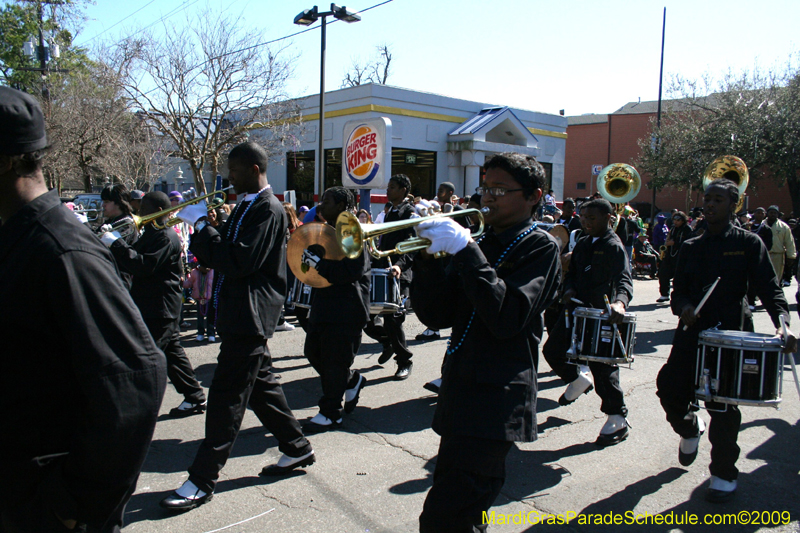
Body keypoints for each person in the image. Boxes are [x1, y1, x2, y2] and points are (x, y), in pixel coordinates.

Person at [0, 86, 166, 532]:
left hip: (41, 507)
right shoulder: (19, 237)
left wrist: (70, 504)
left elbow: (137, 378)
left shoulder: (62, 250)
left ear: (12, 159)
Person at [411, 152, 561, 532]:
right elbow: (437, 315)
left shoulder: (540, 248)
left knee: (445, 518)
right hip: (461, 388)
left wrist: (465, 252)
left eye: (499, 190)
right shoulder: (479, 241)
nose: (488, 198)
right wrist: (428, 259)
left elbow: (507, 317)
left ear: (533, 196)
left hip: (496, 398)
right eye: (484, 189)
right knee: (460, 516)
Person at [160, 141, 313, 512]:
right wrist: (209, 227)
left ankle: (201, 478)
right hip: (239, 313)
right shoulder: (247, 205)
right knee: (262, 388)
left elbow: (239, 260)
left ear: (255, 169)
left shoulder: (268, 208)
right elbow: (225, 252)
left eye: (234, 169)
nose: (229, 176)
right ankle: (297, 447)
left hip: (251, 315)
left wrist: (200, 225)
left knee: (226, 400)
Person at [656, 179, 796, 503]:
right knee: (669, 389)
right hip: (693, 332)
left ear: (734, 205)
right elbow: (680, 292)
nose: (710, 204)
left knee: (723, 408)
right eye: (707, 198)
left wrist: (783, 324)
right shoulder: (691, 245)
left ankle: (723, 473)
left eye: (718, 199)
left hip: (732, 335)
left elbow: (770, 289)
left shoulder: (749, 243)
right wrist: (686, 307)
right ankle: (690, 427)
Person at [103, 191, 207, 418]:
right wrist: (114, 243)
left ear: (157, 212)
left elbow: (143, 265)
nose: (138, 213)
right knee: (172, 355)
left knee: (145, 359)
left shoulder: (165, 236)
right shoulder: (152, 232)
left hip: (160, 307)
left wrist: (117, 244)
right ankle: (194, 397)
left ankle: (134, 408)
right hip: (153, 304)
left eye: (143, 210)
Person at [559, 198, 633, 445]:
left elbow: (624, 279)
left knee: (604, 369)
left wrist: (620, 303)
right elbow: (572, 274)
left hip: (601, 316)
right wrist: (568, 289)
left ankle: (617, 418)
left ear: (608, 219)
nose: (586, 222)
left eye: (592, 218)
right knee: (553, 349)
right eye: (583, 218)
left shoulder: (613, 245)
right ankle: (578, 379)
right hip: (576, 312)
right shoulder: (582, 242)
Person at [299, 186, 371, 431]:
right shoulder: (329, 228)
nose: (320, 205)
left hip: (346, 307)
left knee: (334, 362)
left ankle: (331, 412)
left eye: (326, 201)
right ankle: (351, 381)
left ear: (341, 205)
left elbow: (351, 272)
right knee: (313, 352)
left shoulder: (349, 228)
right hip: (325, 302)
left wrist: (318, 264)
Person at [364, 175, 415, 380]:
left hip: (398, 272)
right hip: (382, 268)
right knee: (367, 317)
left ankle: (404, 361)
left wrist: (400, 266)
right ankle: (388, 343)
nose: (388, 190)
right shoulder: (389, 210)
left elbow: (412, 244)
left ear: (403, 189)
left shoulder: (409, 212)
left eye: (392, 187)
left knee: (392, 320)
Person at [656, 211, 691, 303]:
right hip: (670, 255)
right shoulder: (673, 229)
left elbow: (688, 243)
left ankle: (679, 296)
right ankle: (664, 294)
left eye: (678, 220)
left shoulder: (687, 229)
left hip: (680, 256)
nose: (675, 222)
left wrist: (675, 243)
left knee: (679, 278)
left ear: (683, 220)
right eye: (674, 220)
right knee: (663, 273)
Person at [184, 259, 216, 342]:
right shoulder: (195, 272)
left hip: (210, 298)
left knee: (210, 316)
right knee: (200, 317)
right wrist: (182, 283)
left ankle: (211, 333)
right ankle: (200, 333)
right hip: (199, 298)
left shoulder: (213, 272)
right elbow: (189, 283)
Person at [765, 205, 796, 283]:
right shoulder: (761, 224)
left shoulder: (784, 227)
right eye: (771, 212)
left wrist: (791, 256)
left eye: (775, 213)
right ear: (767, 213)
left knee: (776, 277)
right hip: (763, 255)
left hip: (777, 255)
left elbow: (789, 242)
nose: (772, 214)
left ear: (777, 214)